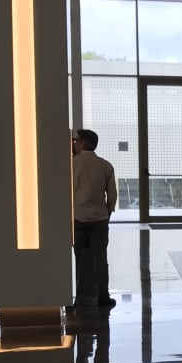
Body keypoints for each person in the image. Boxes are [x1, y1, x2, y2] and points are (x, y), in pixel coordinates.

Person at [72, 129, 118, 309]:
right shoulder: (105, 166)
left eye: (76, 141)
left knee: (75, 258)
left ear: (83, 143)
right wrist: (107, 213)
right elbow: (112, 195)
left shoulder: (71, 164)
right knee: (100, 258)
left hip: (76, 217)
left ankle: (73, 296)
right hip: (99, 217)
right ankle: (103, 296)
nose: (74, 144)